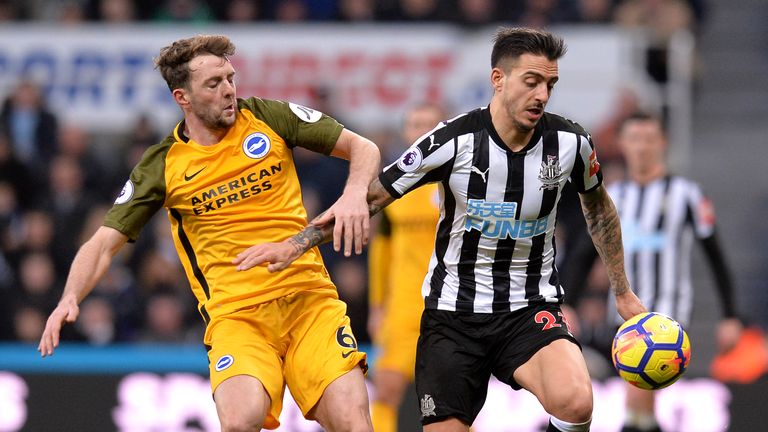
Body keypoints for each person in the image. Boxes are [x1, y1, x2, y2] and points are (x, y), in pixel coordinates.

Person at [236, 27, 647, 432]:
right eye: (532, 81)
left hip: (527, 309)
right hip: (452, 320)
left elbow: (600, 210)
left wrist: (622, 291)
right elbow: (373, 199)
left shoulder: (571, 142)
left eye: (550, 84)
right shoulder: (452, 141)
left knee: (576, 401)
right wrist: (297, 243)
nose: (541, 94)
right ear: (498, 80)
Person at [37, 34, 380, 432]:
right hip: (237, 317)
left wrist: (354, 193)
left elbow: (364, 148)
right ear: (183, 97)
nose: (229, 91)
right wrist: (70, 298)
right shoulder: (163, 165)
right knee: (239, 422)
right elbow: (102, 243)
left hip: (309, 301)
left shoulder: (270, 117)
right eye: (214, 84)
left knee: (354, 420)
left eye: (231, 78)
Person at [583, 112, 742, 432]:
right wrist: (571, 300)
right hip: (623, 305)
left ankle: (636, 425)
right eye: (635, 139)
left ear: (662, 143)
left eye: (649, 139)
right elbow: (585, 253)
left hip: (669, 307)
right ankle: (645, 425)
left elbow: (716, 258)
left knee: (640, 382)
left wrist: (729, 315)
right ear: (623, 144)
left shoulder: (687, 194)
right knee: (642, 391)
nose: (642, 147)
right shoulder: (614, 197)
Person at [367, 103, 445, 432]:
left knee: (449, 395)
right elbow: (381, 250)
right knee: (387, 388)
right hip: (401, 305)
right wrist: (377, 305)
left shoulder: (456, 181)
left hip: (446, 304)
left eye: (430, 125)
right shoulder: (391, 185)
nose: (423, 131)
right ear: (406, 132)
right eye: (416, 124)